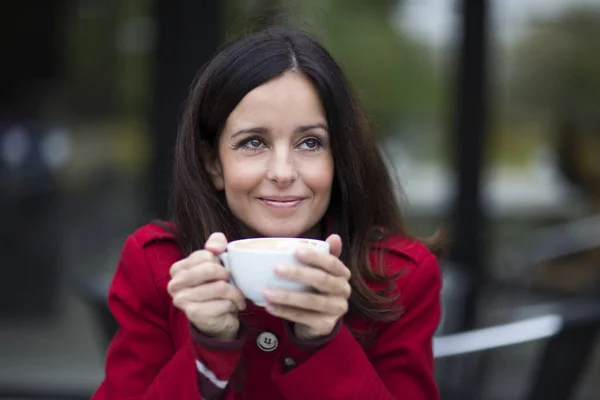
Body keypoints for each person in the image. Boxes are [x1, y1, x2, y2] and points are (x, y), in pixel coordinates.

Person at [93, 26, 443, 400]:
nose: (282, 172)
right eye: (253, 142)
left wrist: (323, 344)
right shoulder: (158, 265)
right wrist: (208, 351)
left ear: (338, 158)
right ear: (213, 163)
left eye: (310, 143)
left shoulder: (399, 276)